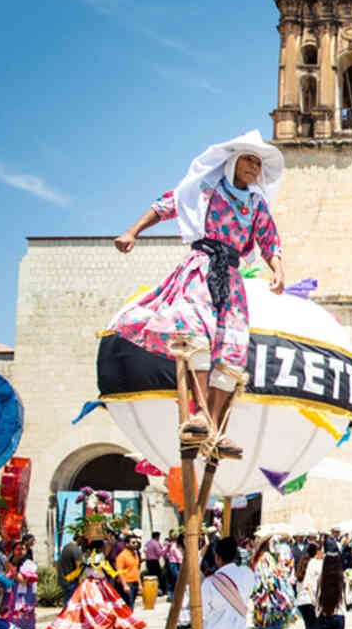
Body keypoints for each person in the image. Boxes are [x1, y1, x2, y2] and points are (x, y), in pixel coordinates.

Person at [110, 131, 286, 455]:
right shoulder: (205, 191)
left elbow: (268, 239)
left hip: (232, 278)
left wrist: (277, 269)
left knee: (232, 350)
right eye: (249, 159)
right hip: (202, 267)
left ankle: (215, 429)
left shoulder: (257, 204)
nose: (254, 167)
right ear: (234, 161)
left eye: (259, 163)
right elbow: (167, 205)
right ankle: (200, 416)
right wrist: (132, 231)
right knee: (197, 335)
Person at [45, 539, 146, 629]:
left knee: (86, 611)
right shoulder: (99, 558)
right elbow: (107, 570)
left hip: (89, 585)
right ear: (101, 548)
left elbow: (81, 571)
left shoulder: (88, 558)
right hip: (96, 586)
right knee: (101, 608)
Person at [249, 539, 295, 629]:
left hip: (268, 587)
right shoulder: (265, 557)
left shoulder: (263, 557)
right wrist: (273, 574)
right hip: (266, 588)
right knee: (267, 610)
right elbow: (265, 572)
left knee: (269, 611)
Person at [285, 542, 321, 629]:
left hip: (301, 600)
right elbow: (311, 584)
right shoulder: (314, 564)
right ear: (317, 552)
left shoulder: (304, 562)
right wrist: (315, 599)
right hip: (308, 599)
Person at [1, 541, 38, 629]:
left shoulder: (29, 564)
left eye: (23, 549)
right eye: (18, 549)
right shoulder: (10, 563)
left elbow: (22, 580)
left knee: (22, 618)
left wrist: (12, 570)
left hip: (24, 595)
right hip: (11, 594)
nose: (21, 551)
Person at [114, 536, 141, 609]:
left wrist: (139, 584)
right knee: (128, 605)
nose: (135, 544)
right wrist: (124, 585)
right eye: (133, 542)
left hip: (134, 582)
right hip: (127, 583)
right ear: (127, 544)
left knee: (131, 604)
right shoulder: (122, 556)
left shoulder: (135, 555)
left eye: (136, 542)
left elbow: (136, 570)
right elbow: (119, 572)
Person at [56, 533, 84, 604]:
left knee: (67, 601)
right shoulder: (76, 549)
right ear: (79, 539)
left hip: (63, 578)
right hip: (71, 580)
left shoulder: (66, 547)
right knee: (71, 603)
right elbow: (79, 565)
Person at [143, 531, 165, 596]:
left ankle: (151, 590)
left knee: (150, 577)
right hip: (154, 561)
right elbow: (159, 553)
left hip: (148, 561)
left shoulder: (147, 543)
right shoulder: (156, 543)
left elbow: (144, 550)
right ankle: (159, 591)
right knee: (158, 577)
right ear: (157, 537)